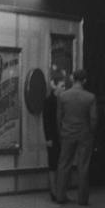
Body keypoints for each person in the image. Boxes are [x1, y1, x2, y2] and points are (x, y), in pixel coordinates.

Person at [54, 68, 98, 206]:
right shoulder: (90, 97)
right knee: (83, 166)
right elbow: (94, 119)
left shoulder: (63, 96)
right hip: (84, 134)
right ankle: (82, 199)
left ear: (72, 78)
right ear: (85, 80)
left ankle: (60, 196)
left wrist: (61, 132)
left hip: (67, 133)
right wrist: (92, 133)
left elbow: (58, 117)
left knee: (64, 164)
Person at [43, 70, 66, 201]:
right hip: (53, 137)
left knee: (60, 164)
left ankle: (59, 190)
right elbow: (46, 121)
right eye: (62, 86)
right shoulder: (49, 101)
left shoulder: (63, 100)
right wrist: (48, 138)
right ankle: (53, 191)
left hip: (62, 136)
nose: (64, 88)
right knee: (53, 164)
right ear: (55, 85)